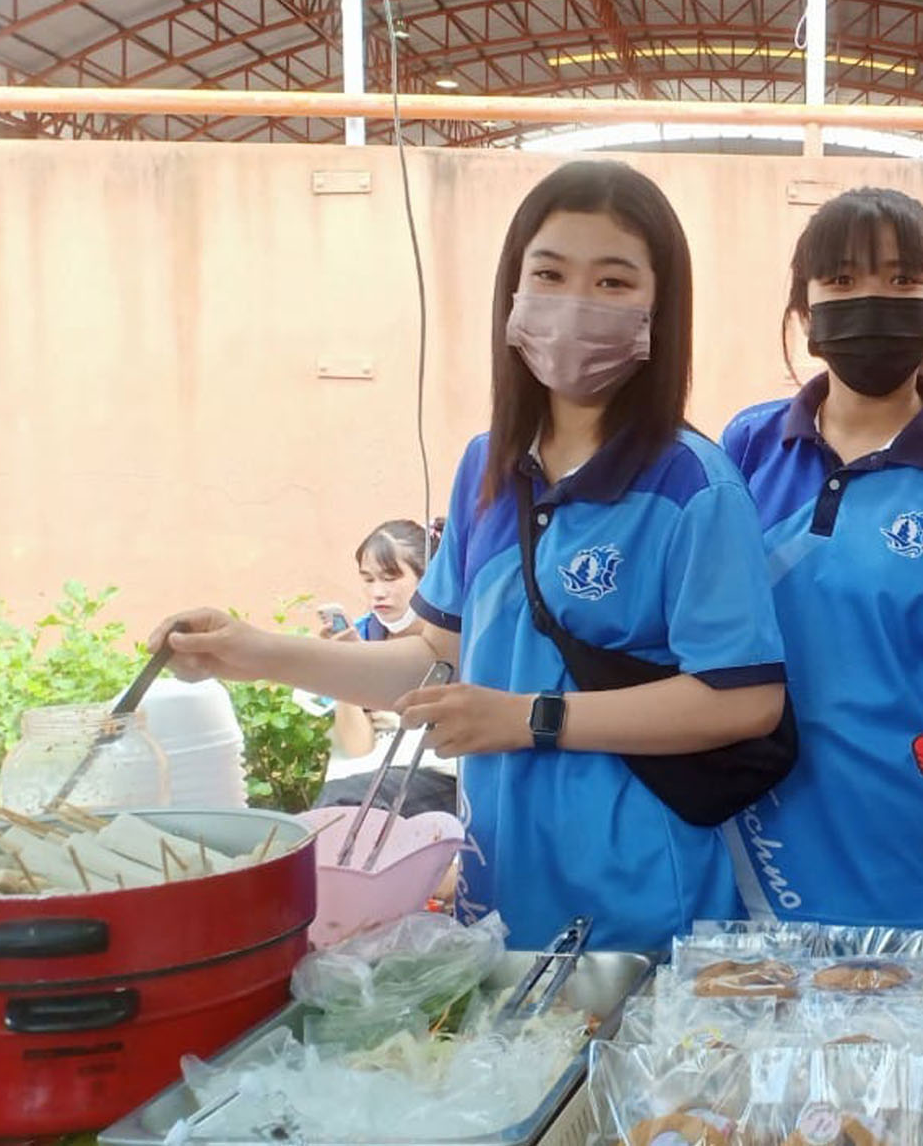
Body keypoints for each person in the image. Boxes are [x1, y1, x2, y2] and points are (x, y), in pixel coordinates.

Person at [152, 161, 787, 951]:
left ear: (662, 307)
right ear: (513, 296)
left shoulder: (695, 486)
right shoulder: (488, 466)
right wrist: (255, 652)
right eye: (549, 273)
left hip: (644, 917)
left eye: (614, 282)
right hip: (502, 902)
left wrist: (529, 719)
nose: (575, 305)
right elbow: (434, 658)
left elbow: (742, 699)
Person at [722, 188, 923, 956]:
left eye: (900, 280)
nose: (872, 301)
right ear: (804, 308)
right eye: (843, 280)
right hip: (748, 852)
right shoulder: (747, 447)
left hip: (904, 866)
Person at [308, 520, 459, 819]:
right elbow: (357, 748)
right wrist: (345, 665)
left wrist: (407, 713)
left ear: (429, 578)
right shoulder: (363, 636)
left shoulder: (456, 639)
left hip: (438, 777)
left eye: (390, 578)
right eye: (368, 579)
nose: (377, 592)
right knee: (338, 811)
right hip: (360, 785)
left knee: (348, 808)